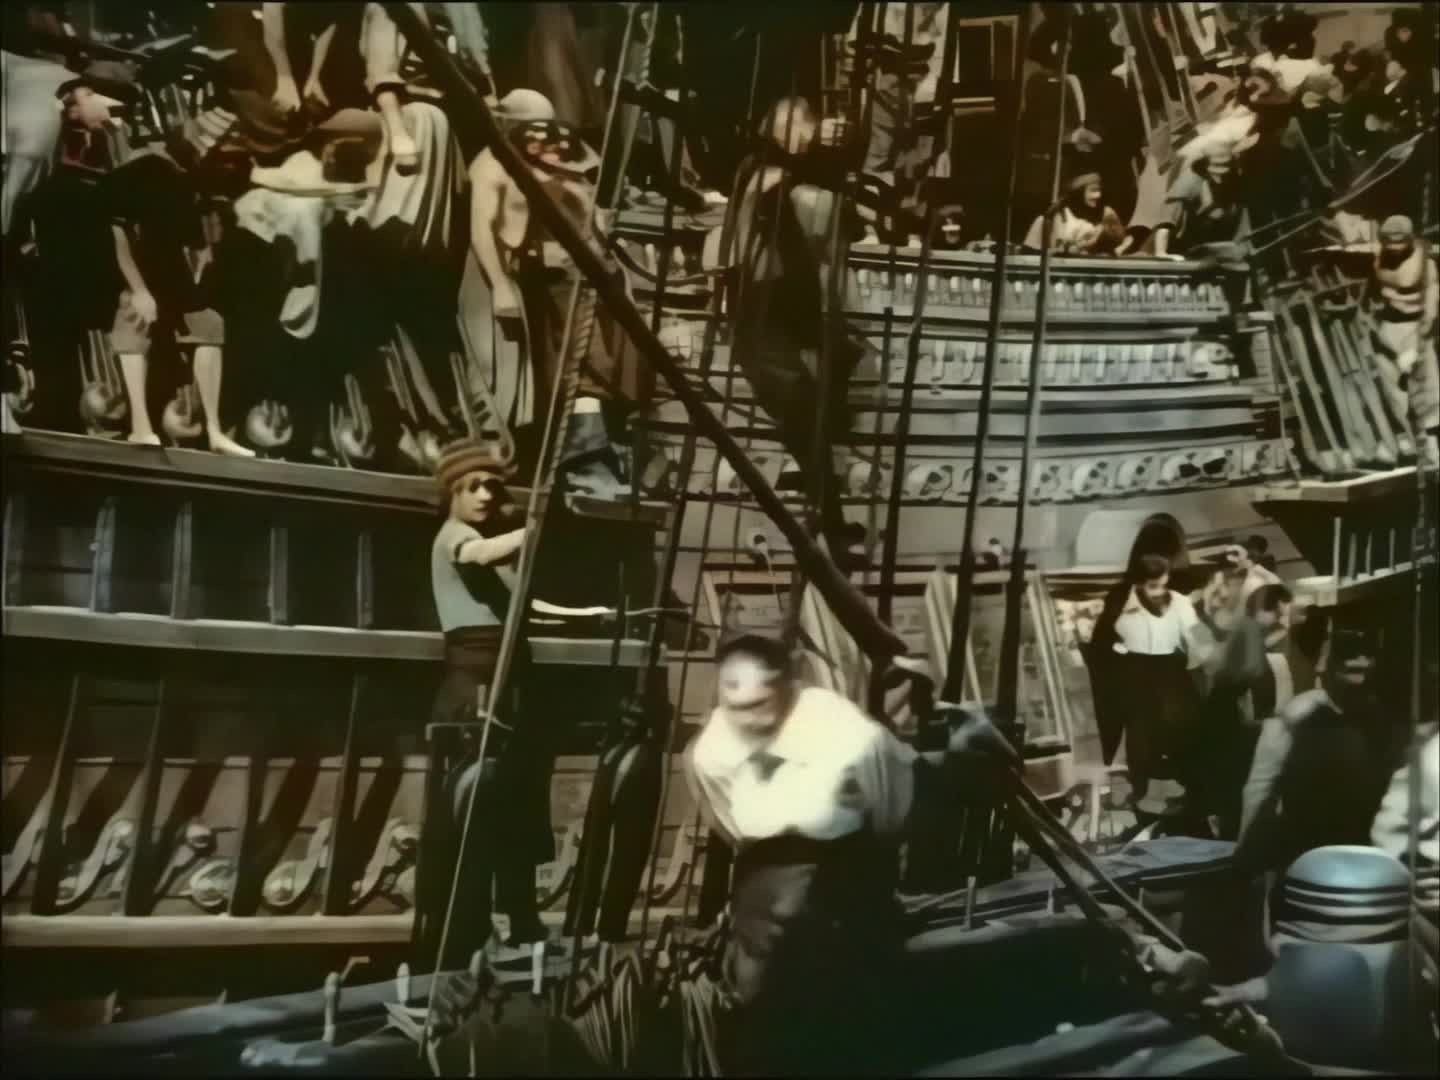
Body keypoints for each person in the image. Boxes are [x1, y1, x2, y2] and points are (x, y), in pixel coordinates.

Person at [684, 632, 1014, 1075]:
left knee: (793, 1020)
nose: (750, 717)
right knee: (831, 1019)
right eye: (739, 705)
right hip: (814, 890)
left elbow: (726, 821)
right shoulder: (820, 727)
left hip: (787, 890)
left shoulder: (722, 743)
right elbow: (893, 809)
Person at [418, 437, 614, 969]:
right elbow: (481, 553)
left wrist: (588, 614)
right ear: (452, 494)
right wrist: (535, 529)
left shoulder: (488, 542)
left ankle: (522, 919)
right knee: (480, 805)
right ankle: (473, 929)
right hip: (474, 683)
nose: (485, 495)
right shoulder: (455, 538)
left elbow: (522, 604)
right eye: (473, 486)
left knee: (519, 803)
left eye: (491, 486)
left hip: (509, 679)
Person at [727, 97, 867, 568]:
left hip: (765, 307)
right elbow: (800, 257)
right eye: (805, 132)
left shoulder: (756, 174)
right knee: (808, 412)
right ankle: (827, 522)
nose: (809, 140)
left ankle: (824, 512)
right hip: (766, 311)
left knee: (812, 403)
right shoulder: (776, 185)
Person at [1237, 629, 1395, 874]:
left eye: (1367, 672)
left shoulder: (1374, 718)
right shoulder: (1298, 716)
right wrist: (1246, 858)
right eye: (1352, 671)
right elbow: (1261, 788)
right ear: (1327, 670)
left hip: (1361, 846)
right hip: (1307, 848)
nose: (1361, 682)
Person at [1092, 553, 1213, 822]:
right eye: (1151, 585)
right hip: (1135, 671)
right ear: (1138, 582)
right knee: (1141, 733)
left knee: (1183, 727)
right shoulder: (1121, 601)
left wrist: (1209, 652)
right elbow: (1103, 639)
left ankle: (1188, 796)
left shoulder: (1179, 602)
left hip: (1170, 669)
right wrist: (1118, 649)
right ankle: (1143, 798)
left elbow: (1196, 632)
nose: (1158, 591)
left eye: (1162, 584)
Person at [1196, 584, 1296, 840]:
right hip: (1234, 729)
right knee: (1238, 793)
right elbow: (1249, 679)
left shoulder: (1248, 631)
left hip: (1230, 724)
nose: (1281, 620)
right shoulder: (1251, 634)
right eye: (1278, 613)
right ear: (1264, 610)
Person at [1366, 214, 1438, 467]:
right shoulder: (1379, 259)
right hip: (1388, 329)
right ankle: (1412, 444)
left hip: (1415, 329)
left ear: (1409, 240)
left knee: (1426, 392)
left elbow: (1431, 302)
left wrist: (1420, 339)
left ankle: (1433, 448)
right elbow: (1375, 294)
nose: (1395, 249)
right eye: (1390, 243)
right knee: (1395, 393)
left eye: (1400, 243)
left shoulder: (1425, 264)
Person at [1022, 173, 1127, 256]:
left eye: (1099, 191)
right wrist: (1068, 250)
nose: (1098, 195)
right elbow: (1027, 254)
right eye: (1093, 190)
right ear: (1078, 193)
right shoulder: (1047, 219)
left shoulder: (1101, 220)